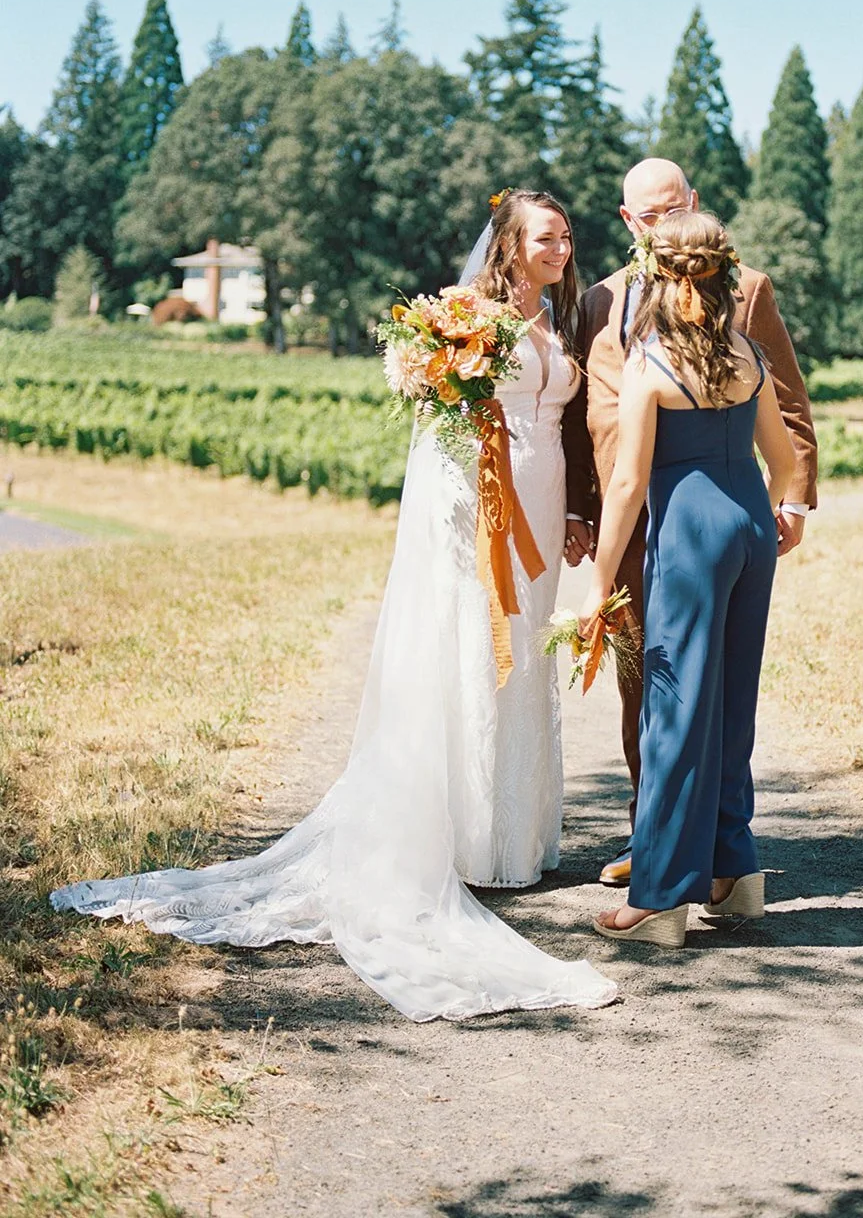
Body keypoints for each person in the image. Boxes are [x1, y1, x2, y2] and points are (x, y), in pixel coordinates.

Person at [51, 191, 616, 1023]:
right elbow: (442, 423)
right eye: (546, 236)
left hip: (541, 501)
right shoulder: (469, 315)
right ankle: (459, 836)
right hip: (478, 506)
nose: (562, 247)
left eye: (567, 236)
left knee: (522, 651)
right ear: (509, 244)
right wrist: (467, 499)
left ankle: (515, 840)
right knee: (469, 649)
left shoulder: (557, 324)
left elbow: (563, 426)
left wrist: (574, 513)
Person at [561, 159, 816, 884]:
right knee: (647, 682)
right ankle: (663, 837)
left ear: (694, 204)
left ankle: (681, 866)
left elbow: (789, 405)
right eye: (649, 216)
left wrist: (792, 500)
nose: (663, 225)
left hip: (694, 516)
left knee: (701, 689)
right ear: (627, 222)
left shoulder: (747, 292)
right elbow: (582, 419)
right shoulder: (599, 300)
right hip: (632, 515)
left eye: (674, 210)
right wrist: (582, 506)